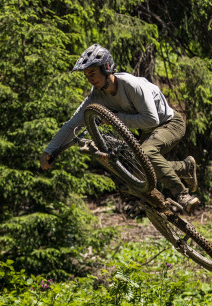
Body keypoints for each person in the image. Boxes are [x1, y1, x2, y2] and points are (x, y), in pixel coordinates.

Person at [40, 44, 200, 213]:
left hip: (170, 123)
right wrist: (49, 151)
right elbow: (72, 124)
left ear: (107, 67)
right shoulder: (96, 96)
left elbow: (152, 120)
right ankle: (184, 168)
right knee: (138, 173)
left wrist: (115, 118)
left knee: (146, 154)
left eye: (93, 73)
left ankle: (182, 195)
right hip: (149, 131)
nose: (90, 79)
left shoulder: (131, 85)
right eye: (87, 75)